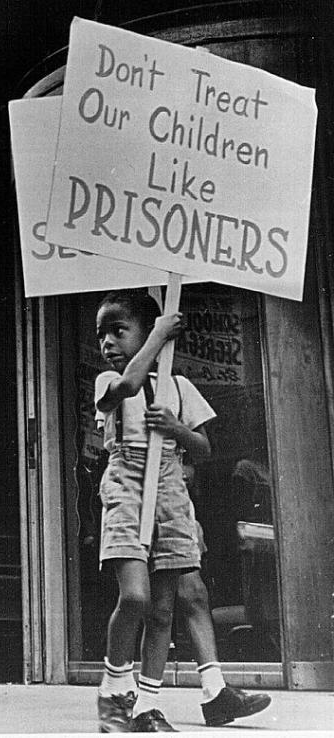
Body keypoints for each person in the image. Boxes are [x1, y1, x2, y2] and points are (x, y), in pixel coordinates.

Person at [93, 289, 213, 733]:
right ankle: (112, 688)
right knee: (136, 596)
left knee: (163, 608)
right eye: (101, 334)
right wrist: (159, 334)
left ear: (145, 332)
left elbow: (203, 447)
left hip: (168, 485)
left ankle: (147, 703)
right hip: (126, 483)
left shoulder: (178, 387)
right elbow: (125, 386)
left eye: (118, 330)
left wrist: (176, 427)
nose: (107, 341)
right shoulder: (108, 382)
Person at [172, 463, 270, 727]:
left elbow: (199, 448)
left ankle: (215, 692)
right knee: (142, 601)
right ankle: (119, 690)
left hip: (171, 504)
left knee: (194, 593)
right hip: (137, 500)